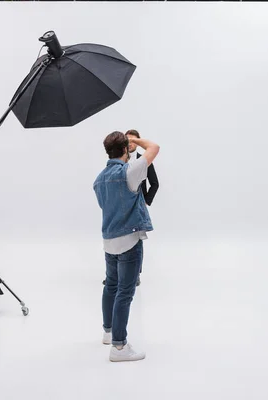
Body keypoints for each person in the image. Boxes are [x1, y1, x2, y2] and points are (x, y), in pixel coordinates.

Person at [93, 131, 160, 362]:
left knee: (110, 285)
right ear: (125, 150)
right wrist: (137, 141)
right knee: (125, 292)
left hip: (108, 240)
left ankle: (108, 332)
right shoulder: (130, 172)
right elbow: (154, 147)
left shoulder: (99, 180)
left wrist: (126, 142)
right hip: (129, 240)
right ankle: (119, 348)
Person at [102, 129, 159, 286]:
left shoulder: (143, 160)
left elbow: (155, 183)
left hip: (136, 204)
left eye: (134, 140)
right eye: (128, 141)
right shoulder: (120, 161)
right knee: (117, 234)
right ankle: (113, 274)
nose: (131, 143)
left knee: (136, 238)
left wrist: (146, 201)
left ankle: (135, 273)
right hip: (119, 205)